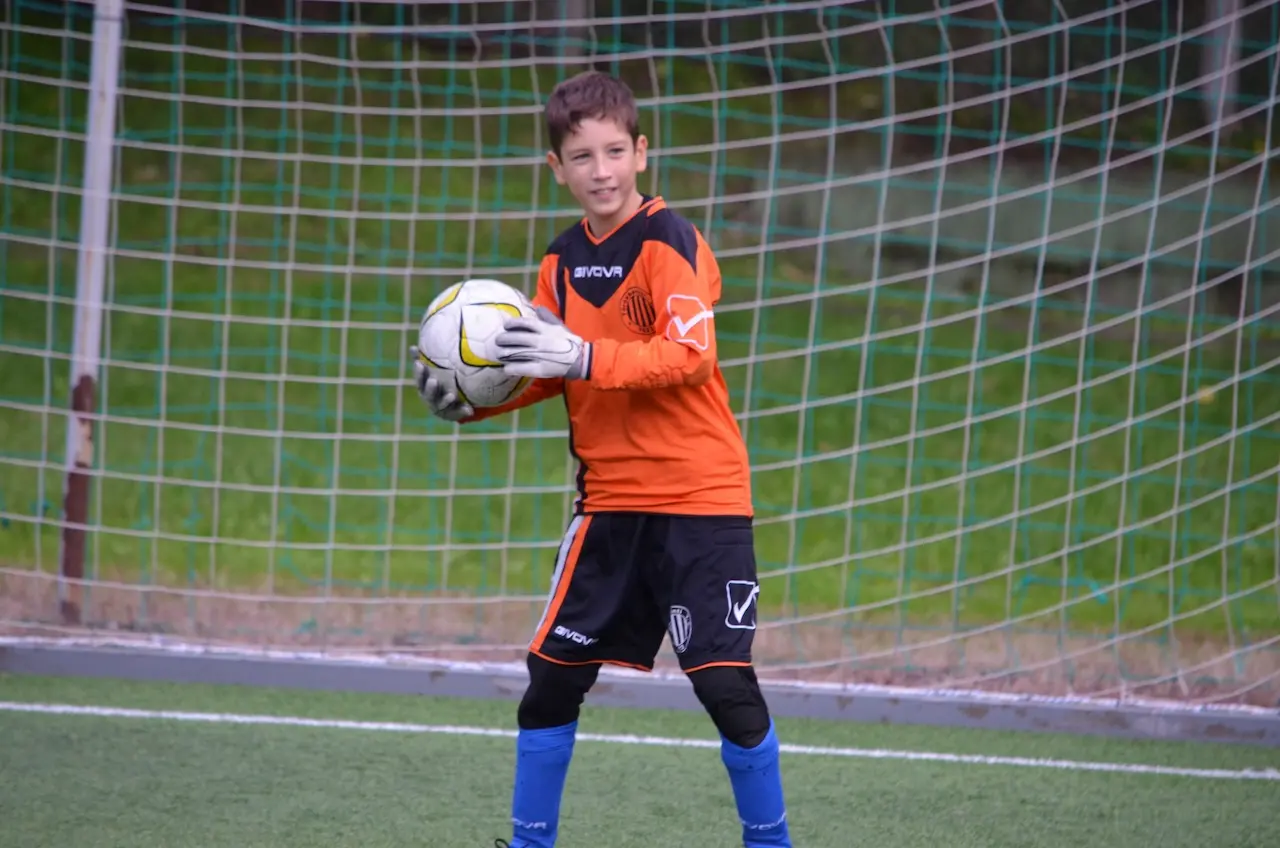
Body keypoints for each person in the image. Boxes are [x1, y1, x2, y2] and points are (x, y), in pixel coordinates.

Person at [411, 69, 793, 848]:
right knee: (549, 681)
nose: (602, 171)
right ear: (557, 167)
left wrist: (585, 353)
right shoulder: (558, 262)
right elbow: (551, 369)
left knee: (724, 687)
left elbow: (688, 355)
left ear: (641, 152)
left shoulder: (668, 241)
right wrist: (477, 401)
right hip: (608, 507)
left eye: (615, 151)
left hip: (701, 502)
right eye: (582, 157)